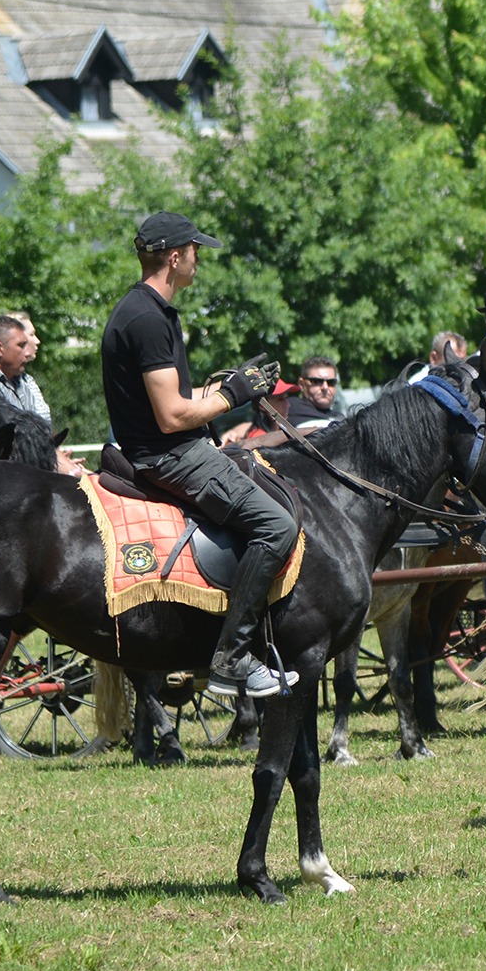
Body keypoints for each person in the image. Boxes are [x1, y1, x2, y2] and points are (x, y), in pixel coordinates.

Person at [100, 211, 300, 698]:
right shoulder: (148, 319)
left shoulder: (145, 309)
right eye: (194, 252)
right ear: (175, 257)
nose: (198, 260)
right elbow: (172, 417)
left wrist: (230, 385)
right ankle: (233, 658)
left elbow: (174, 399)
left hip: (165, 447)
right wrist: (232, 397)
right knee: (277, 527)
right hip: (171, 454)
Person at [285, 355, 340, 429]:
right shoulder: (288, 407)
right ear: (302, 384)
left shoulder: (341, 418)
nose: (325, 387)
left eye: (331, 382)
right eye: (317, 381)